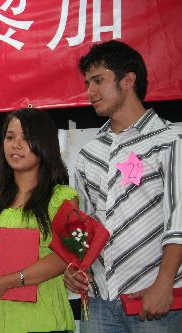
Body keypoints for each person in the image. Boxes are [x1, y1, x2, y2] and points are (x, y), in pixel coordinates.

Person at [65, 40, 182, 332]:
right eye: (87, 83)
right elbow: (84, 225)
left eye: (98, 81)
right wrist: (74, 267)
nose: (90, 91)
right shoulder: (89, 153)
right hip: (99, 299)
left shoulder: (170, 139)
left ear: (128, 80)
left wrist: (163, 284)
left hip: (154, 299)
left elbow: (179, 219)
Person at [0, 108, 77, 333]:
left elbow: (68, 255)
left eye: (26, 138)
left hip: (44, 321)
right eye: (10, 137)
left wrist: (7, 281)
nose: (15, 144)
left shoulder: (62, 198)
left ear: (44, 143)